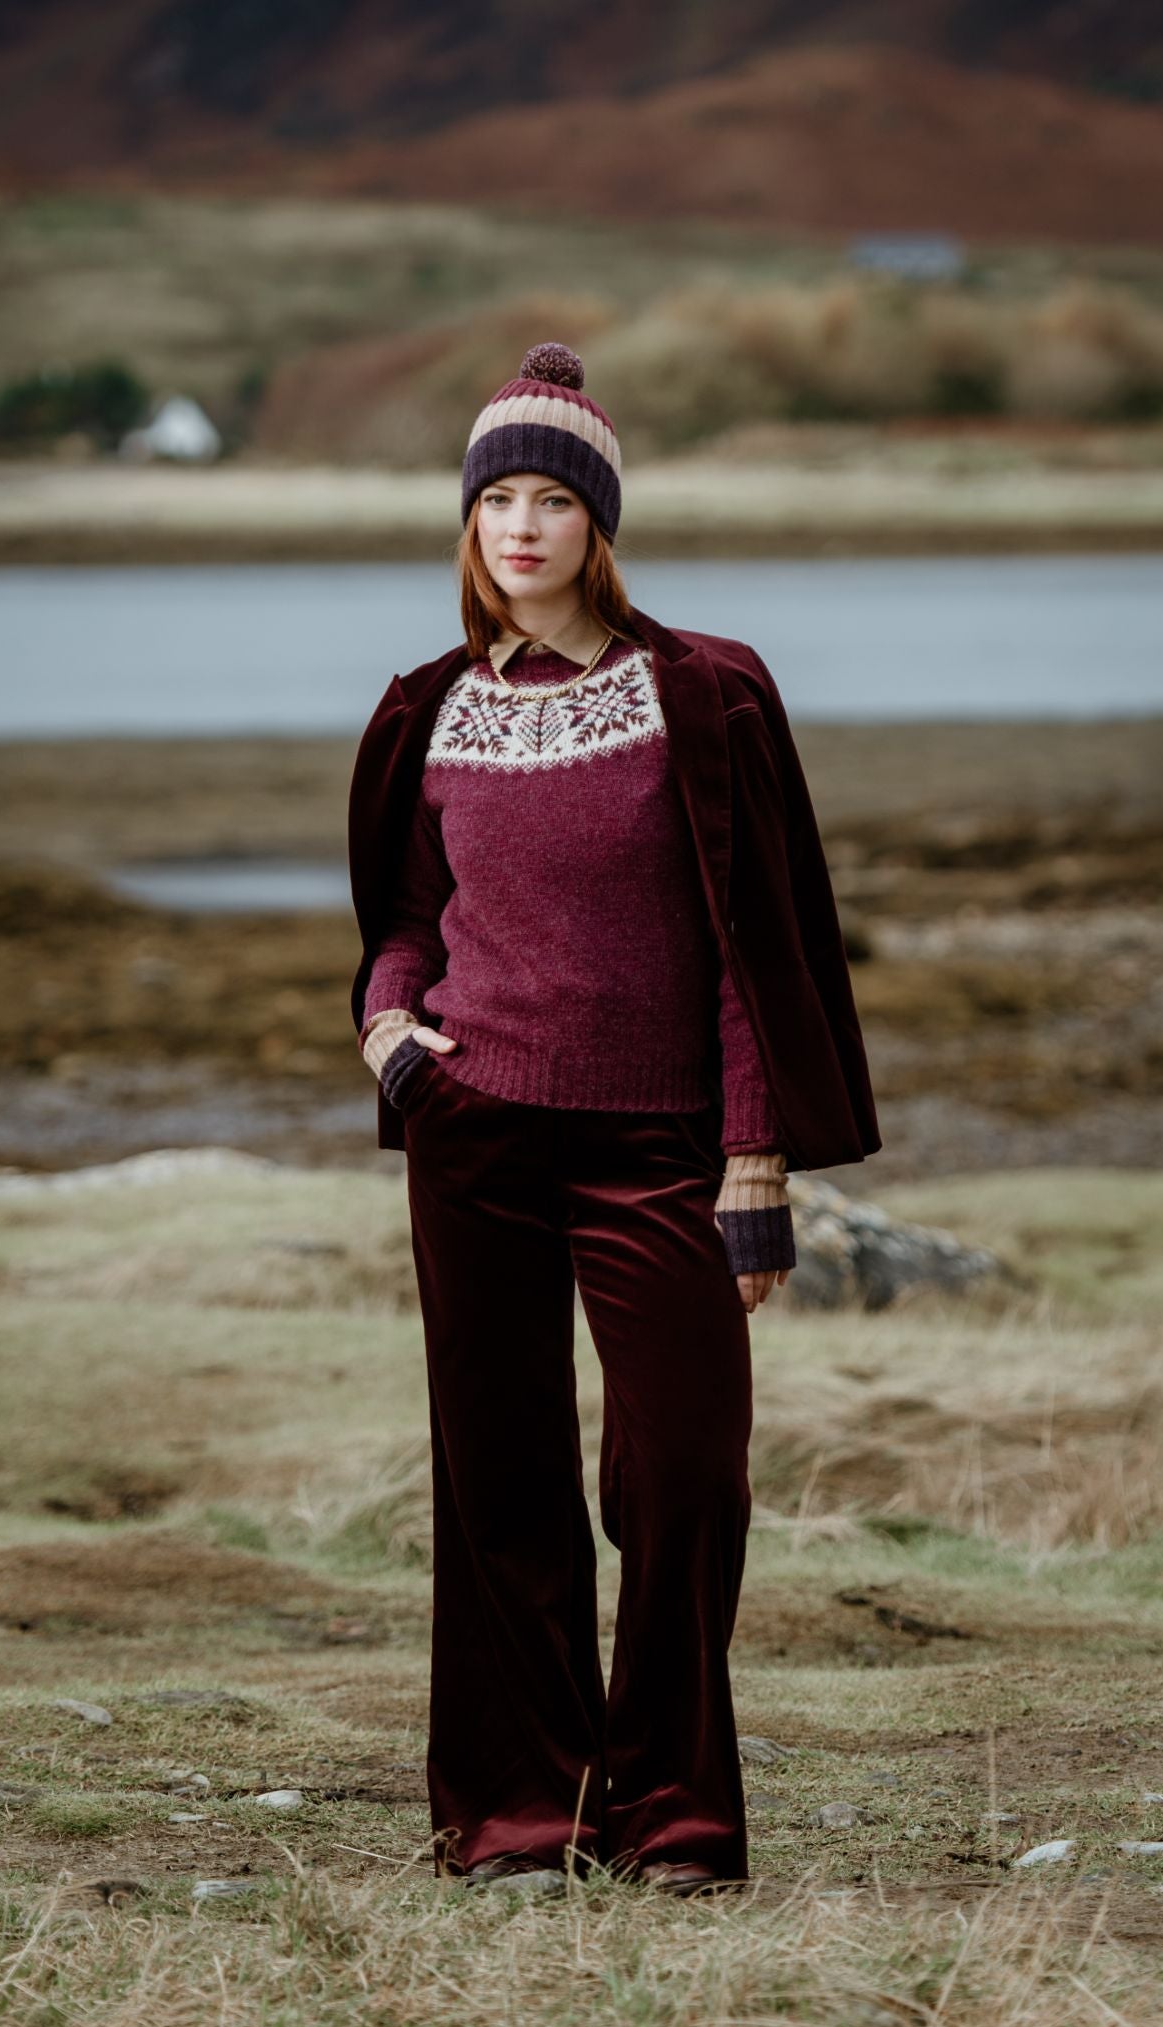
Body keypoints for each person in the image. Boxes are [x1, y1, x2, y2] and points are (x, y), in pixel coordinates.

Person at [347, 342, 880, 1896]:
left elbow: (752, 940)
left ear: (599, 520)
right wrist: (390, 1030)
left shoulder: (703, 692)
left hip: (662, 1146)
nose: (520, 525)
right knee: (497, 1475)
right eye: (495, 497)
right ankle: (524, 1809)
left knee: (685, 1470)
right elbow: (401, 919)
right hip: (478, 1136)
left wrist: (757, 1154)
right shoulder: (422, 711)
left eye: (551, 497)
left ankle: (674, 1806)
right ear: (468, 521)